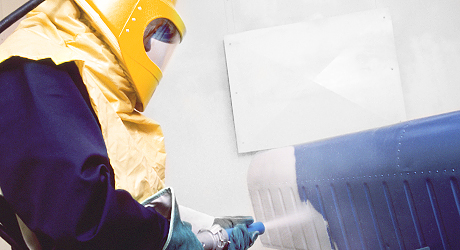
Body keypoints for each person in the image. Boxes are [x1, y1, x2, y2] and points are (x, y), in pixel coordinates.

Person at [0, 0, 259, 249]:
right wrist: (177, 241)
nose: (156, 49)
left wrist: (203, 227)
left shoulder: (91, 82)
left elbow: (122, 199)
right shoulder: (34, 65)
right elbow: (84, 218)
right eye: (157, 33)